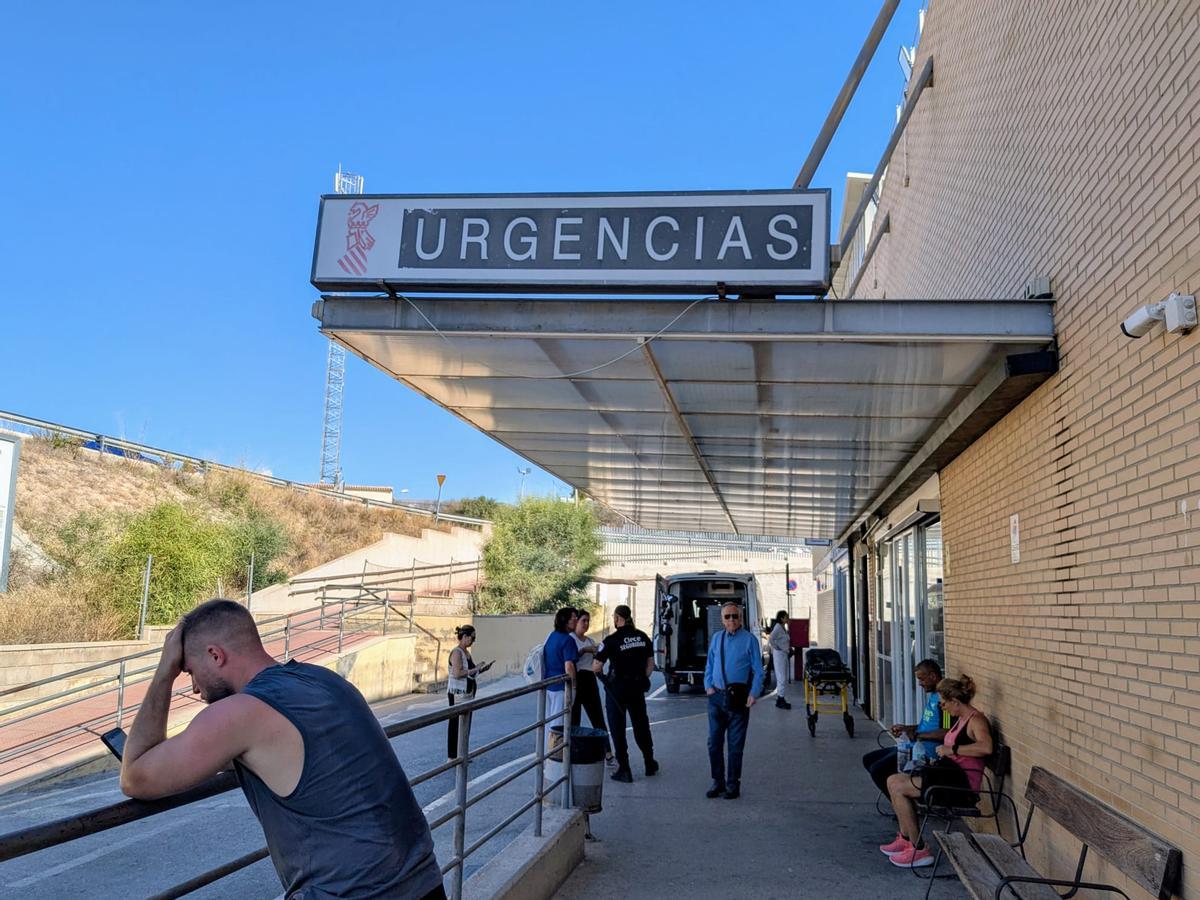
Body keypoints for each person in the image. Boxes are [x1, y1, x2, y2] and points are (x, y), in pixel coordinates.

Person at [120, 599, 445, 899]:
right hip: (423, 882)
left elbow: (135, 777)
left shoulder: (239, 714)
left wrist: (163, 672)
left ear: (215, 655)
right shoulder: (325, 681)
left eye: (189, 671)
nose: (194, 688)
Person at [881, 674, 993, 868]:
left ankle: (919, 849)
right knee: (892, 780)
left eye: (944, 703)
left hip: (961, 784)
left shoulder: (976, 720)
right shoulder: (960, 719)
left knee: (899, 788)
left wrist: (953, 750)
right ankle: (906, 838)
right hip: (948, 775)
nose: (942, 707)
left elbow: (986, 747)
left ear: (955, 701)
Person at [703, 601, 764, 800]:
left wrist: (753, 694)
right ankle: (717, 782)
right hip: (716, 698)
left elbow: (758, 671)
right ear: (722, 619)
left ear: (741, 618)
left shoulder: (750, 640)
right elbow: (710, 665)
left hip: (738, 699)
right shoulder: (717, 638)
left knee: (735, 745)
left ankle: (732, 784)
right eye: (727, 616)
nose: (731, 620)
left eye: (734, 616)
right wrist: (708, 685)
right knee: (714, 743)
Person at [592, 604, 658, 783]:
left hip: (617, 691)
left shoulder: (611, 640)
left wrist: (605, 680)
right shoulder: (643, 637)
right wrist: (641, 678)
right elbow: (650, 663)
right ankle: (649, 762)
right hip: (636, 689)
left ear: (617, 618)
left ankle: (625, 769)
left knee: (617, 729)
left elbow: (596, 666)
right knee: (641, 725)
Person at [861, 659, 945, 793]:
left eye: (922, 679)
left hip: (924, 754)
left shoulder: (944, 700)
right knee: (868, 759)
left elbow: (946, 732)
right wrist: (907, 728)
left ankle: (903, 803)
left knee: (878, 770)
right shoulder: (933, 696)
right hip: (913, 746)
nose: (919, 684)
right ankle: (900, 800)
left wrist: (918, 735)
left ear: (933, 676)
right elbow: (928, 725)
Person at [570, 610, 615, 768]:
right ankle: (573, 753)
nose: (586, 624)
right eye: (583, 620)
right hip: (576, 678)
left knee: (598, 718)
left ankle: (607, 753)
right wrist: (584, 651)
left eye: (588, 621)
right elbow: (570, 659)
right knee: (574, 719)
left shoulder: (589, 640)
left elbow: (597, 661)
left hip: (589, 680)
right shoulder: (571, 640)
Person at [447, 624, 492, 760]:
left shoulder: (466, 653)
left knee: (466, 724)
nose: (473, 641)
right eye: (472, 638)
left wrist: (481, 669)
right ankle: (452, 756)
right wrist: (475, 668)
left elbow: (469, 674)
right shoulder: (456, 653)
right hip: (458, 693)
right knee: (455, 724)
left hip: (468, 693)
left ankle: (462, 753)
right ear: (464, 637)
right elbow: (457, 673)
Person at [542, 607, 579, 748]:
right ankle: (555, 757)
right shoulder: (568, 640)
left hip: (549, 685)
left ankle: (546, 754)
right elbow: (569, 666)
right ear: (565, 621)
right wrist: (574, 686)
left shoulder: (552, 636)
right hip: (561, 688)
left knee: (548, 723)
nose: (576, 621)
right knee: (558, 725)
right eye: (574, 618)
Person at [768, 610, 792, 709]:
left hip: (783, 654)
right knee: (781, 677)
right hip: (779, 654)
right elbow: (771, 639)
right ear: (782, 618)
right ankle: (781, 699)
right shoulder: (778, 627)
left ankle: (780, 699)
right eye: (786, 617)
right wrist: (777, 647)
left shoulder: (783, 627)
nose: (788, 618)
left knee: (782, 677)